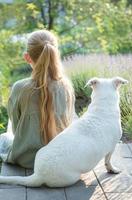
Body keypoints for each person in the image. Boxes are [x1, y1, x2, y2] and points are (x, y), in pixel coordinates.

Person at [0, 30, 76, 169]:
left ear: (27, 57)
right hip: (59, 157)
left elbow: (17, 129)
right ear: (55, 54)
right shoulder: (66, 86)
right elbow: (69, 123)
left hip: (27, 160)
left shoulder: (20, 88)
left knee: (4, 138)